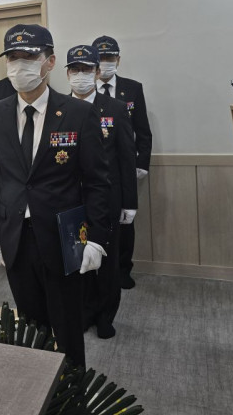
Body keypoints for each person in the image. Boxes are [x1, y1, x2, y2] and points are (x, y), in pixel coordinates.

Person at [0, 24, 110, 366]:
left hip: (63, 238)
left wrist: (97, 239)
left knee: (67, 326)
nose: (19, 65)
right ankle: (37, 387)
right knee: (31, 326)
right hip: (15, 237)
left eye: (29, 56)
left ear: (49, 62)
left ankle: (72, 387)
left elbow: (97, 182)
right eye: (13, 57)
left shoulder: (79, 113)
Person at [66, 45, 137, 339]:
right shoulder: (59, 109)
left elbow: (127, 158)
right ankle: (84, 311)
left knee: (107, 262)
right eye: (75, 69)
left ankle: (106, 315)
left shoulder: (116, 109)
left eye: (86, 69)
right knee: (77, 261)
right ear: (67, 74)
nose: (80, 75)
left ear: (97, 72)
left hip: (108, 198)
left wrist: (129, 203)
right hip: (71, 200)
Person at [93, 35, 152, 289]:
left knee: (125, 222)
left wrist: (142, 163)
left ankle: (123, 269)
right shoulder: (83, 89)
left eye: (110, 57)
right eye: (101, 58)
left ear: (118, 59)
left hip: (123, 167)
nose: (105, 62)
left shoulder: (133, 88)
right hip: (94, 168)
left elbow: (143, 131)